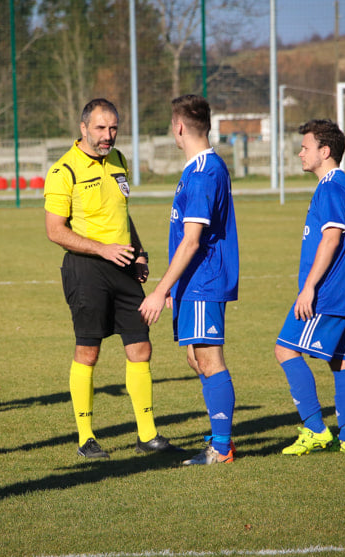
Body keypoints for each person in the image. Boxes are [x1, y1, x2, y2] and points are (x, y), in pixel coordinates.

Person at [44, 98, 180, 459]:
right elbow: (55, 231)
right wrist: (102, 249)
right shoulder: (63, 171)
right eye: (101, 128)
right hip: (86, 269)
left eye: (114, 128)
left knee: (140, 346)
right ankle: (86, 438)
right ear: (84, 128)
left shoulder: (119, 161)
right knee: (88, 351)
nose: (108, 135)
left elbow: (123, 212)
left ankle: (147, 434)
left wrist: (138, 250)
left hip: (124, 268)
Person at [139, 95, 239, 465]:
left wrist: (161, 289)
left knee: (209, 359)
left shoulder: (202, 174)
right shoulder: (200, 168)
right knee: (195, 359)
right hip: (192, 283)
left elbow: (193, 239)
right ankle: (219, 435)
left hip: (203, 280)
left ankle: (222, 447)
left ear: (179, 126)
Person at [275, 119, 345, 456]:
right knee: (341, 362)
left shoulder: (331, 186)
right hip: (343, 294)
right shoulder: (342, 185)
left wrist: (308, 287)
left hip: (325, 294)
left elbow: (331, 237)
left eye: (305, 147)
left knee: (285, 349)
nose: (300, 153)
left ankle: (315, 429)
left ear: (324, 151)